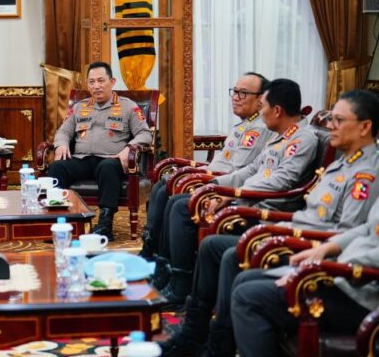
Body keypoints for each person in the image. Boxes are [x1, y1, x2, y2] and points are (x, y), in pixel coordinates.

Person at [161, 90, 379, 356]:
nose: (331, 125)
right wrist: (225, 190)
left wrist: (318, 258)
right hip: (312, 245)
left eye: (339, 120)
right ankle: (199, 336)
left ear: (365, 127)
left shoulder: (367, 175)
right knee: (221, 254)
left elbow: (346, 232)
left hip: (343, 274)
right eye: (331, 119)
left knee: (242, 280)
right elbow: (359, 230)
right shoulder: (343, 163)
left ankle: (216, 346)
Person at [158, 79, 319, 307]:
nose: (261, 112)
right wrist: (216, 184)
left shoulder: (302, 140)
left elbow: (282, 181)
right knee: (181, 201)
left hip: (265, 211)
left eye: (263, 106)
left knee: (184, 208)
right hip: (246, 201)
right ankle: (169, 273)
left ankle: (182, 284)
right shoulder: (280, 134)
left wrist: (233, 194)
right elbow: (251, 169)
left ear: (277, 110)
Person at [140, 72, 273, 260]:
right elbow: (222, 162)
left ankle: (160, 257)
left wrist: (198, 174)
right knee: (163, 184)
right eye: (234, 91)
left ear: (260, 100)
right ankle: (153, 249)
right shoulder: (246, 124)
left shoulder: (257, 128)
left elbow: (234, 170)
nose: (235, 97)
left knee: (170, 195)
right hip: (213, 177)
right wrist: (195, 171)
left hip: (223, 185)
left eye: (243, 93)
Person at [232, 188, 379, 357]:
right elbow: (368, 228)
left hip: (363, 293)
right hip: (344, 276)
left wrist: (327, 268)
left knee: (247, 297)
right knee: (245, 278)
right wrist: (325, 249)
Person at [47, 61, 152, 240]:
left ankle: (105, 224)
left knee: (107, 167)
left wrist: (129, 148)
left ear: (112, 81)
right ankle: (60, 222)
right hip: (82, 160)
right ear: (87, 85)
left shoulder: (128, 106)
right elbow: (63, 131)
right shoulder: (79, 107)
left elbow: (145, 134)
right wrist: (61, 144)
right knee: (57, 167)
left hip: (111, 160)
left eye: (101, 81)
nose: (96, 86)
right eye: (92, 82)